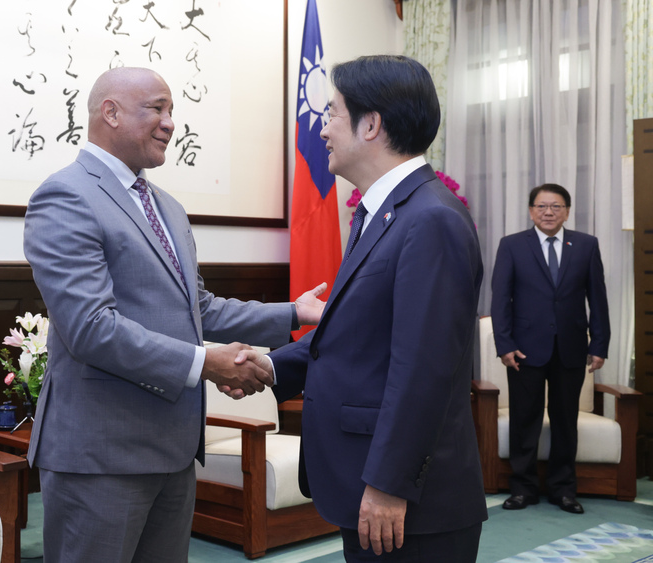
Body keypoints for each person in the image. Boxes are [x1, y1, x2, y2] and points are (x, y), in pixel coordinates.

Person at [23, 67, 326, 563]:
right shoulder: (66, 196)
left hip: (174, 452)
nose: (169, 123)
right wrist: (206, 363)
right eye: (157, 109)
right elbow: (91, 329)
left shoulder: (167, 206)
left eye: (172, 112)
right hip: (102, 456)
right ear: (111, 112)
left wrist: (294, 312)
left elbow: (197, 307)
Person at [233, 55, 487, 561]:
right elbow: (353, 336)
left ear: (371, 125)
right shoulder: (382, 213)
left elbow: (423, 370)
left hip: (409, 500)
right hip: (367, 481)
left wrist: (390, 484)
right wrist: (268, 367)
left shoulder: (430, 219)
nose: (322, 130)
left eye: (332, 114)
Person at [491, 183, 610, 515]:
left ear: (567, 211)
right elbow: (500, 300)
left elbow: (597, 299)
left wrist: (599, 343)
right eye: (541, 206)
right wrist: (505, 345)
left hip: (571, 348)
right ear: (531, 210)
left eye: (555, 206)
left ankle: (563, 490)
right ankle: (523, 489)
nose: (548, 212)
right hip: (524, 350)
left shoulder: (586, 245)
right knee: (524, 420)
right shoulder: (512, 245)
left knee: (565, 421)